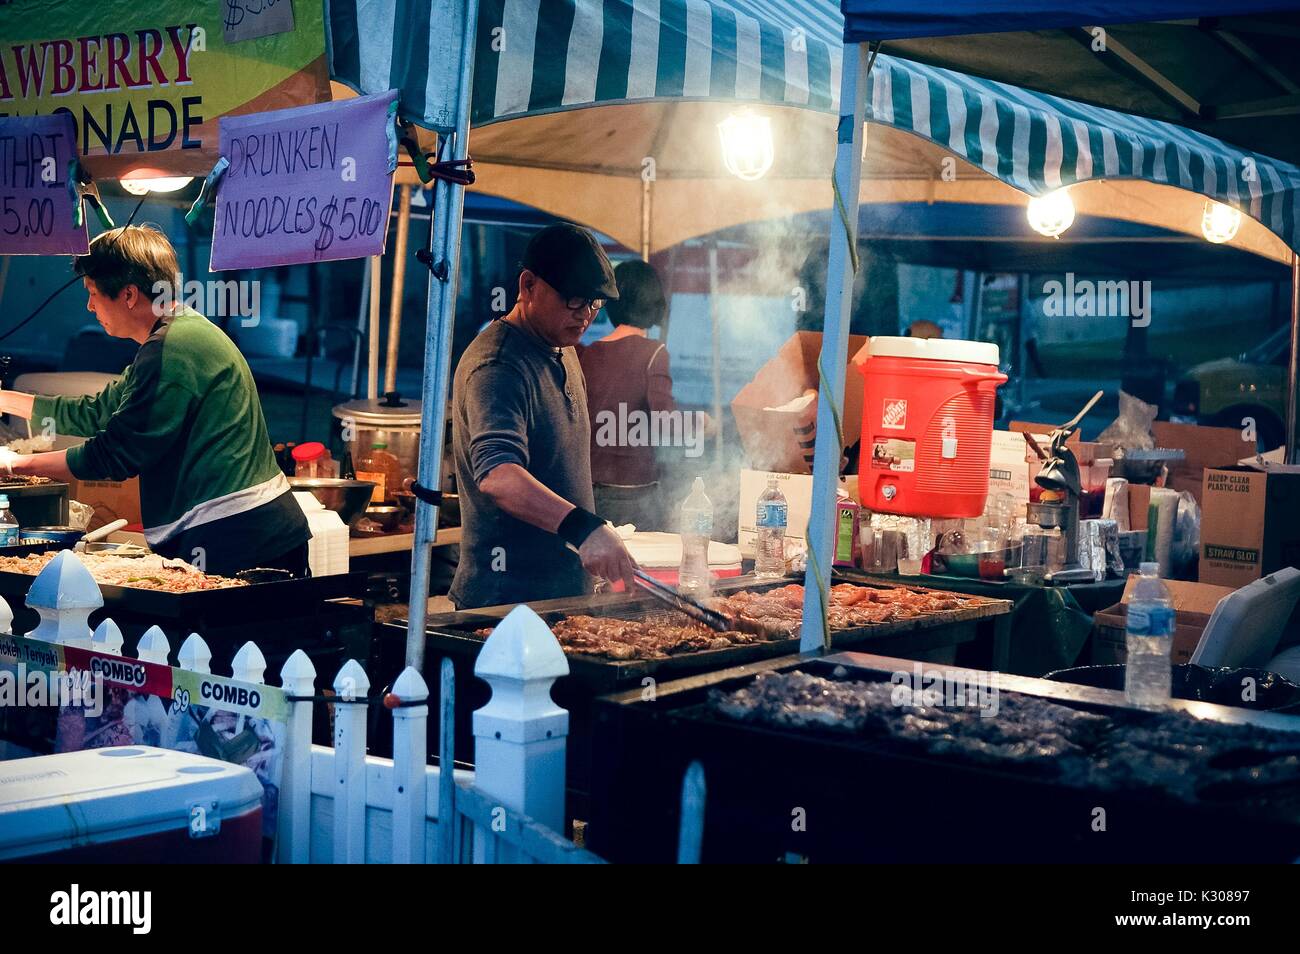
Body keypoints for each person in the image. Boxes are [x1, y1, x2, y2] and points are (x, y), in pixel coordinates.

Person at [0, 225, 309, 577]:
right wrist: (4, 400)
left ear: (129, 295)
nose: (89, 306)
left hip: (242, 535)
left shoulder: (174, 347)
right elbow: (96, 413)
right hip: (241, 531)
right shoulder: (174, 336)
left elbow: (116, 452)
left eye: (93, 293)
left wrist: (15, 464)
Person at [449, 222, 638, 609]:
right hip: (506, 603)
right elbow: (498, 477)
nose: (584, 315)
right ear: (528, 285)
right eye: (572, 299)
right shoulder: (498, 365)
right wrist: (584, 529)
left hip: (561, 596)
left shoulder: (561, 345)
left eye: (593, 303)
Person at [578, 259, 683, 531]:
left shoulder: (586, 353)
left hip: (587, 489)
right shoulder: (654, 352)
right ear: (655, 303)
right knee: (634, 571)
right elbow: (667, 423)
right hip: (634, 494)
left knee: (595, 571)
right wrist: (704, 425)